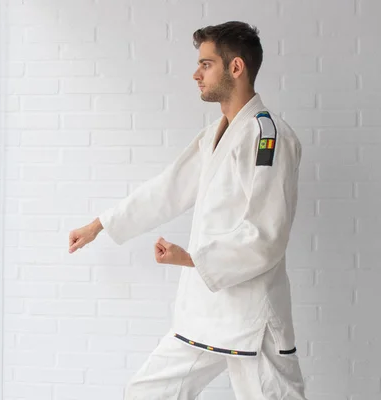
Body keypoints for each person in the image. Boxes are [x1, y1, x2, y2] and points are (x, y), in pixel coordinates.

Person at [68, 21, 308, 399]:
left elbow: (266, 235)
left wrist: (192, 258)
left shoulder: (267, 136)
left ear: (236, 68)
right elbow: (168, 188)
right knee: (145, 393)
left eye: (206, 64)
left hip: (252, 318)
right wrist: (100, 224)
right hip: (206, 312)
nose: (196, 74)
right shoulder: (217, 134)